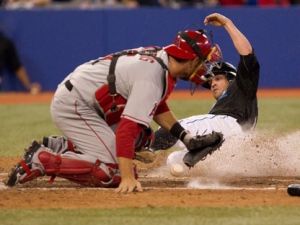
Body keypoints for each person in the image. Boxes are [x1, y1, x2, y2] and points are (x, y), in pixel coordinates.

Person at [6, 19, 223, 192]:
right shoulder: (153, 76)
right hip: (74, 105)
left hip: (86, 101)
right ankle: (42, 161)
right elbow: (126, 130)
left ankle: (61, 146)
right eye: (203, 61)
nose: (205, 68)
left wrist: (187, 138)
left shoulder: (164, 60)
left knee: (143, 137)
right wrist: (127, 177)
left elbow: (157, 105)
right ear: (192, 60)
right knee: (111, 172)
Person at [152, 13, 260, 168]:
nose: (213, 84)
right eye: (210, 82)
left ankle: (141, 149)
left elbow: (247, 53)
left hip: (229, 125)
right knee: (174, 160)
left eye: (218, 78)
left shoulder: (242, 85)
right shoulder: (225, 105)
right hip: (233, 146)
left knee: (174, 127)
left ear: (231, 79)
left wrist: (227, 23)